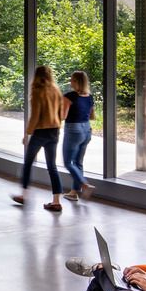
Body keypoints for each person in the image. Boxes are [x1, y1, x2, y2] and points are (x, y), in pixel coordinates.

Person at [12, 64, 65, 212]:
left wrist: (27, 134)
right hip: (54, 131)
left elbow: (35, 115)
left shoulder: (37, 91)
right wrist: (57, 125)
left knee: (28, 162)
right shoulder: (56, 90)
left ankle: (24, 195)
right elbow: (61, 113)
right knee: (52, 166)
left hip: (40, 131)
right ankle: (56, 201)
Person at [60, 70, 95, 201]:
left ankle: (84, 184)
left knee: (68, 162)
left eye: (72, 79)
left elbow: (63, 116)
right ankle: (74, 192)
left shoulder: (69, 96)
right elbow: (92, 116)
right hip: (86, 130)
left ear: (75, 81)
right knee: (78, 163)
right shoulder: (89, 96)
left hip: (73, 130)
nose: (70, 82)